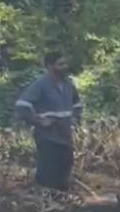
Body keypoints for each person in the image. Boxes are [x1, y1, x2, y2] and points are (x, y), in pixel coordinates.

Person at [14, 52, 82, 191]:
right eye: (60, 64)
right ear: (50, 66)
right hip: (48, 137)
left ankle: (62, 205)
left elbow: (77, 104)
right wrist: (38, 121)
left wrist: (76, 119)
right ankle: (44, 205)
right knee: (48, 174)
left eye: (65, 63)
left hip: (65, 136)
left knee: (64, 170)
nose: (65, 67)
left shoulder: (68, 85)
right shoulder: (40, 84)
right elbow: (22, 105)